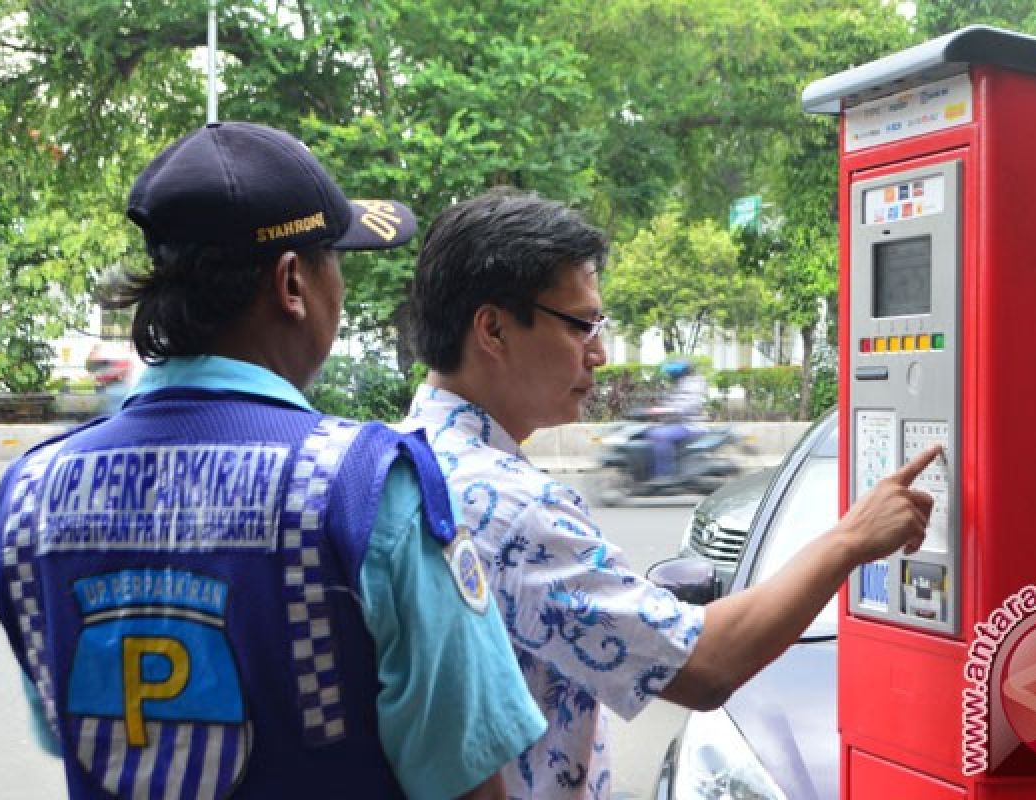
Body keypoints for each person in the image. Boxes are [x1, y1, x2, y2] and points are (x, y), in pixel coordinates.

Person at [0, 123, 545, 800]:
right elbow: (469, 782)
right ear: (292, 283)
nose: (339, 290)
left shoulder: (27, 496)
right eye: (333, 261)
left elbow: (70, 731)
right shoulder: (371, 489)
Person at [402, 187, 941, 798]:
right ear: (493, 329)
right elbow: (705, 668)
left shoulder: (401, 460)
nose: (599, 353)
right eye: (581, 325)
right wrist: (849, 540)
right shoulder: (518, 510)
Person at [647, 358, 708, 479]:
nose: (670, 375)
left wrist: (664, 410)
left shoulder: (693, 384)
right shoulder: (680, 383)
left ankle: (664, 475)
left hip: (690, 425)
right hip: (675, 424)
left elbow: (687, 405)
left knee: (660, 435)